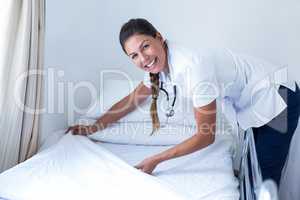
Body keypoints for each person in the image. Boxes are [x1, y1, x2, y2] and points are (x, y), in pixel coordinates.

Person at [66, 18, 300, 186]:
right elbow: (133, 99)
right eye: (134, 55)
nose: (143, 58)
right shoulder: (156, 66)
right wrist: (93, 127)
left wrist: (157, 159)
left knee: (265, 174)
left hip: (277, 96)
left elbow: (205, 135)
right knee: (252, 166)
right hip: (251, 102)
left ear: (159, 37)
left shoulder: (193, 67)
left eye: (145, 46)